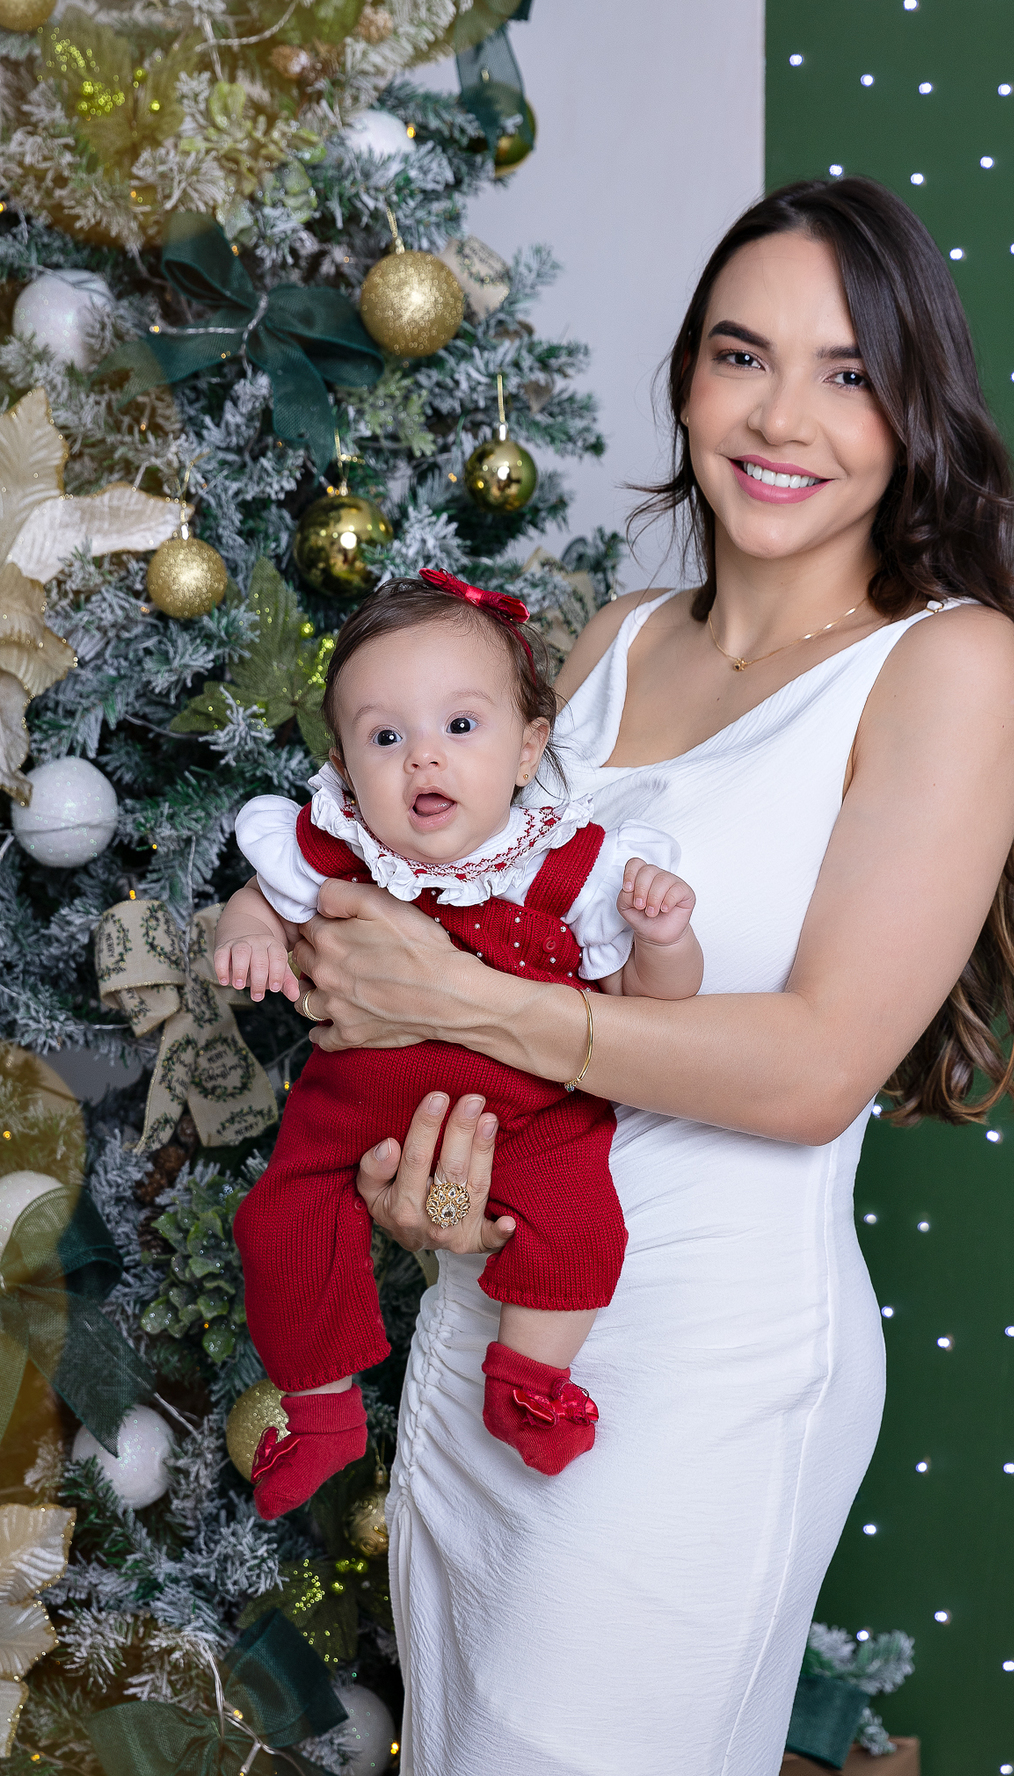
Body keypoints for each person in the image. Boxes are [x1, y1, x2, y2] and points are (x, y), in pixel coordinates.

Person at [287, 179, 1014, 1774]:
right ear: (686, 379)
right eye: (743, 356)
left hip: (708, 1370)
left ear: (912, 411)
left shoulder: (945, 663)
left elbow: (815, 1069)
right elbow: (487, 961)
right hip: (490, 1335)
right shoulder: (607, 646)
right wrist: (417, 1172)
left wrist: (458, 1005)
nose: (781, 416)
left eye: (847, 372)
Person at [216, 570, 701, 1516]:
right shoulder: (340, 845)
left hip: (531, 1114)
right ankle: (320, 1412)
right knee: (279, 1221)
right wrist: (249, 934)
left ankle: (530, 1379)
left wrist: (664, 940)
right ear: (345, 766)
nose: (423, 759)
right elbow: (262, 897)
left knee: (580, 1225)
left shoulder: (564, 864)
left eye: (461, 726)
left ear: (528, 750)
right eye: (385, 738)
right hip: (347, 1109)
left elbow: (652, 1007)